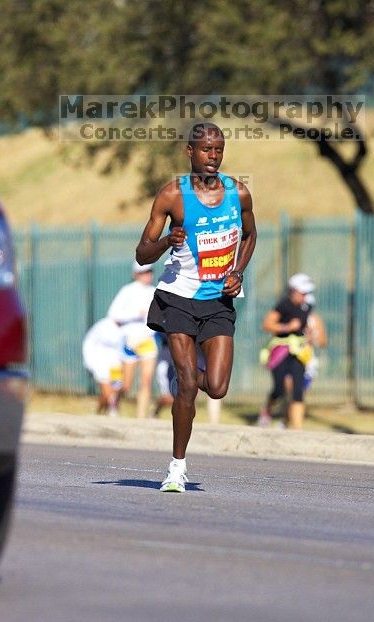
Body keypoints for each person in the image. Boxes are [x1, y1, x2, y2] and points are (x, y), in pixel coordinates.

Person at [135, 122, 257, 492]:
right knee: (187, 384)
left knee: (217, 387)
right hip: (177, 298)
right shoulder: (173, 195)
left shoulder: (239, 193)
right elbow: (142, 253)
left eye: (219, 150)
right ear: (190, 151)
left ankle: (184, 380)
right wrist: (166, 241)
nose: (213, 157)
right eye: (206, 150)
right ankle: (177, 468)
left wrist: (237, 271)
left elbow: (251, 236)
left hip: (218, 301)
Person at [258, 273, 316, 429]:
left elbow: (307, 327)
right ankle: (267, 410)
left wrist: (309, 336)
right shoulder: (283, 305)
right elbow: (267, 324)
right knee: (279, 388)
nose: (305, 296)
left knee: (298, 389)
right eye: (302, 292)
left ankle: (297, 428)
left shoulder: (306, 307)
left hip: (298, 351)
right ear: (293, 291)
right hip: (281, 350)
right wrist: (286, 327)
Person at [107, 262, 158, 418]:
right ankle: (114, 402)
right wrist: (136, 313)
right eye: (144, 272)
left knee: (146, 381)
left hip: (147, 340)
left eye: (150, 271)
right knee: (126, 385)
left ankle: (141, 417)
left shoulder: (155, 292)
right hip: (129, 340)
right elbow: (113, 314)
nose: (147, 275)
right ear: (136, 274)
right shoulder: (127, 291)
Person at [82, 317, 124, 416]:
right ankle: (111, 412)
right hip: (100, 365)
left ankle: (100, 412)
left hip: (116, 365)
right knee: (107, 393)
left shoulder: (127, 329)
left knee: (114, 392)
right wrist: (91, 363)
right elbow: (88, 344)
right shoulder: (103, 326)